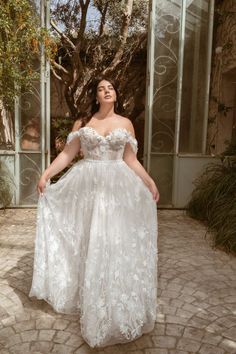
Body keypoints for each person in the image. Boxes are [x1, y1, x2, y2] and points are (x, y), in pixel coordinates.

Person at [29, 76, 160, 348]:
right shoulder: (84, 123)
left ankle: (113, 303)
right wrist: (46, 174)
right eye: (101, 88)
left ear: (116, 93)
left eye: (110, 87)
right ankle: (91, 300)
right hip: (87, 190)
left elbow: (130, 159)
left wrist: (149, 181)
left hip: (117, 190)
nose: (106, 91)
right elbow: (67, 154)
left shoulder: (125, 124)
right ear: (96, 95)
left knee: (113, 243)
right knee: (89, 242)